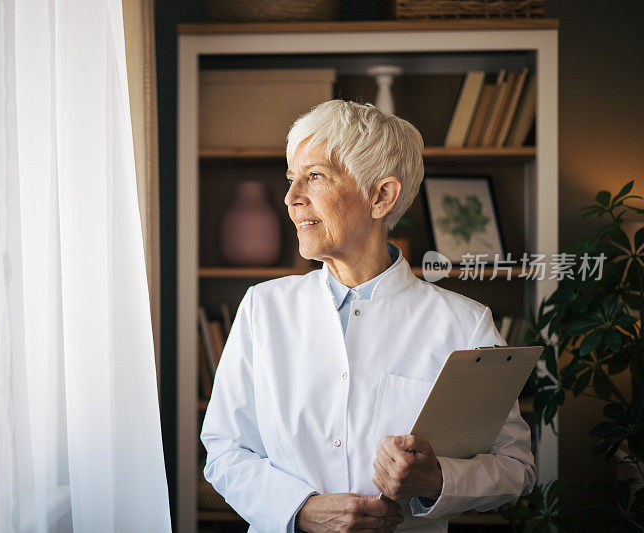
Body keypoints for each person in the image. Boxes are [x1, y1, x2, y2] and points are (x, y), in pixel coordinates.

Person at [200, 100, 536, 533]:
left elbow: (515, 467)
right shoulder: (262, 308)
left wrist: (436, 479)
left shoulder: (464, 324)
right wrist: (301, 510)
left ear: (381, 196)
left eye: (314, 176)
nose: (290, 198)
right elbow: (225, 450)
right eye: (291, 179)